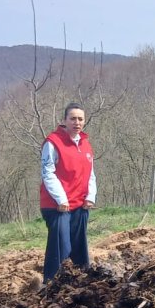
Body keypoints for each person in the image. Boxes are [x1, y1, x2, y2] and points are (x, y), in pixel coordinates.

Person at [40, 102, 97, 283]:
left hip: (80, 204)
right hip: (58, 205)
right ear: (64, 120)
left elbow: (90, 173)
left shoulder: (86, 144)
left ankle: (80, 282)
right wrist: (61, 199)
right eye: (72, 118)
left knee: (79, 246)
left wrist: (90, 196)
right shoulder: (53, 142)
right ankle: (52, 284)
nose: (77, 122)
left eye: (80, 119)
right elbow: (47, 172)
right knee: (61, 247)